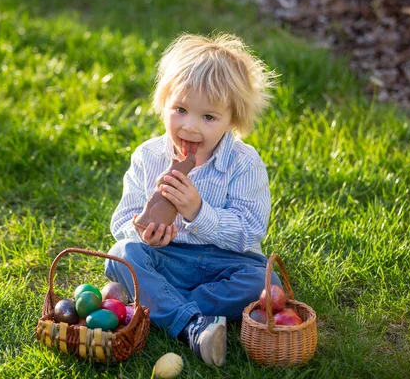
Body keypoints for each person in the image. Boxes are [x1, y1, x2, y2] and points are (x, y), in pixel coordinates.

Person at [104, 33, 279, 367]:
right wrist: (142, 234)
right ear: (164, 103)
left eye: (208, 117)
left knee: (264, 281)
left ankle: (161, 308)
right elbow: (121, 221)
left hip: (223, 265)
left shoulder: (244, 163)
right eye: (180, 110)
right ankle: (192, 324)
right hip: (167, 259)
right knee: (121, 255)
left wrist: (199, 212)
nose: (189, 127)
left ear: (233, 121)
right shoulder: (149, 156)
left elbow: (251, 232)